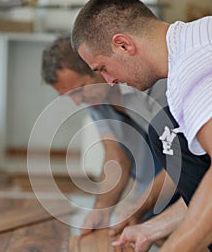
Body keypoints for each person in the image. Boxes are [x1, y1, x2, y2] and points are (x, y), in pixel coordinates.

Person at [71, 0, 212, 252]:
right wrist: (151, 229)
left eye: (103, 68)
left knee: (166, 135)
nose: (107, 81)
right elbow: (209, 178)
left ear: (123, 44)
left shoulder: (194, 69)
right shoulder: (202, 36)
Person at [41, 36, 178, 236]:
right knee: (142, 227)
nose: (78, 102)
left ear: (96, 68)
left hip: (188, 171)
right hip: (153, 180)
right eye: (71, 96)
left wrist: (139, 208)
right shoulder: (96, 100)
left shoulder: (151, 85)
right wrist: (102, 210)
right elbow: (117, 157)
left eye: (79, 90)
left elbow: (181, 161)